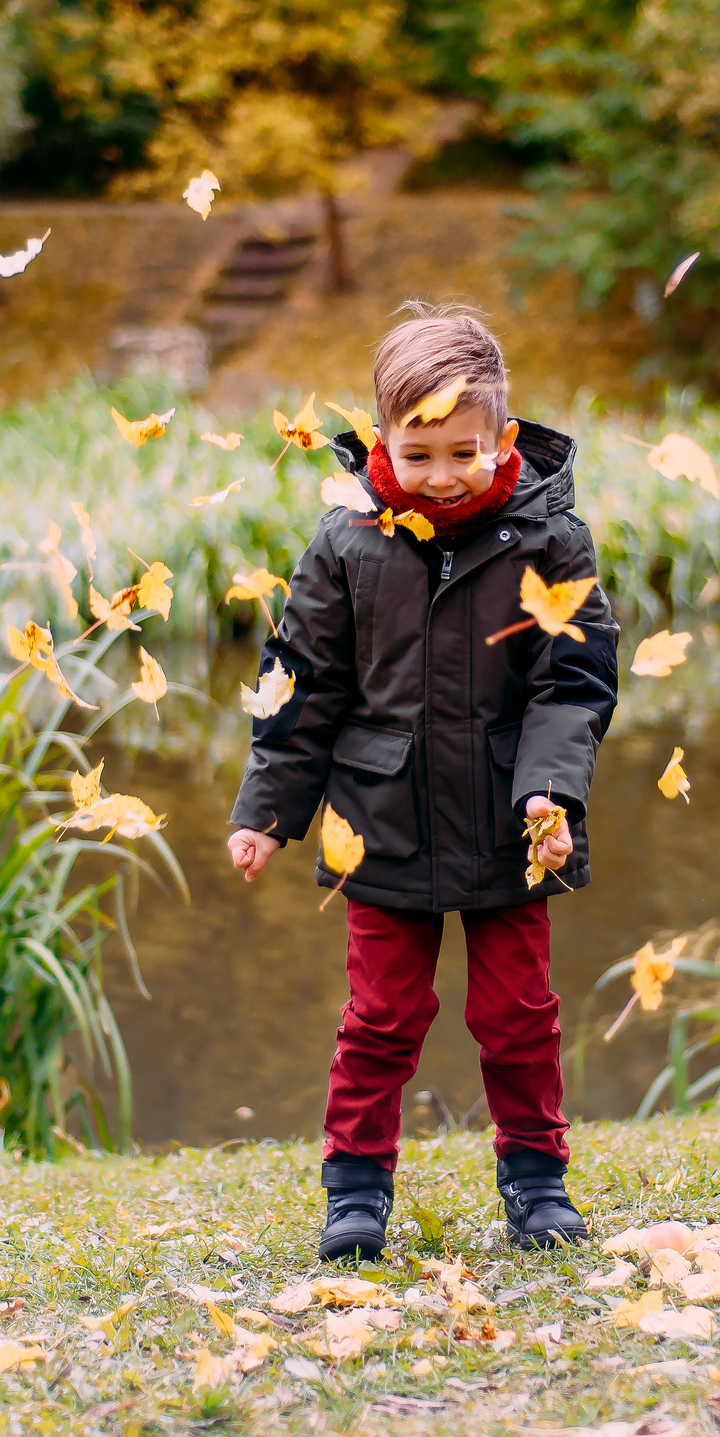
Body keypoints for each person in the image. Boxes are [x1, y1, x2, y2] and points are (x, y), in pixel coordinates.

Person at [226, 305, 619, 1261]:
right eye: (420, 453)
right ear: (380, 439)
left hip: (509, 820)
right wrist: (268, 811)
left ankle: (537, 1183)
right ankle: (355, 1192)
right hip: (381, 817)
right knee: (383, 1015)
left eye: (463, 452)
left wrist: (551, 795)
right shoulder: (344, 544)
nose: (442, 476)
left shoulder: (549, 540)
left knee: (516, 1012)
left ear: (504, 438)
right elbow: (300, 683)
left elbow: (574, 680)